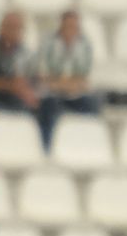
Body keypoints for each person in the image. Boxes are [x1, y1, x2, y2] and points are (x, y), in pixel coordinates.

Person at [34, 11, 101, 149]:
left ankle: (89, 145)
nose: (71, 30)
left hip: (76, 94)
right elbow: (43, 75)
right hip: (53, 93)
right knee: (48, 106)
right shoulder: (48, 44)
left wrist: (63, 83)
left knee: (95, 103)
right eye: (68, 26)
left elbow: (86, 79)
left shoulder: (85, 46)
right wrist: (67, 83)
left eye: (74, 27)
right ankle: (47, 147)